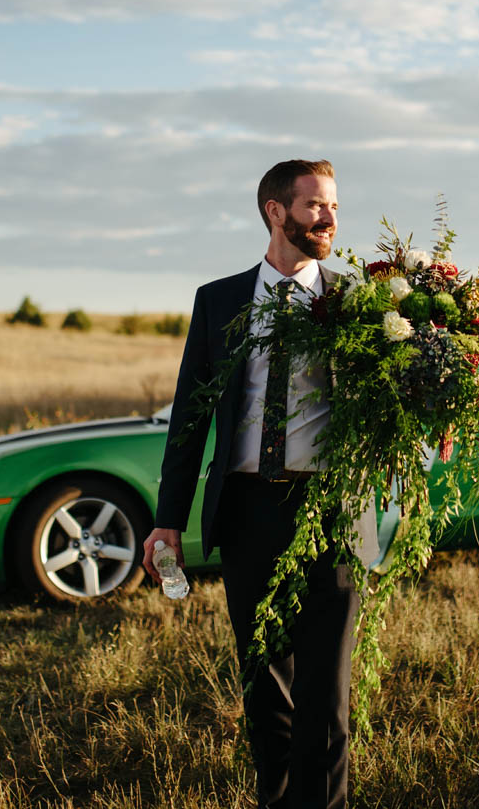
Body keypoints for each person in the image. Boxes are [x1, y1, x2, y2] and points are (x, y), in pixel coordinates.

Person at [142, 159, 378, 809]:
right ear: (276, 211)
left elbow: (387, 406)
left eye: (332, 206)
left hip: (328, 513)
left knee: (324, 697)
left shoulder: (356, 302)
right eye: (315, 206)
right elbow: (190, 417)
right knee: (264, 686)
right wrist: (168, 516)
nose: (329, 218)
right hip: (245, 512)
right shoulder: (217, 300)